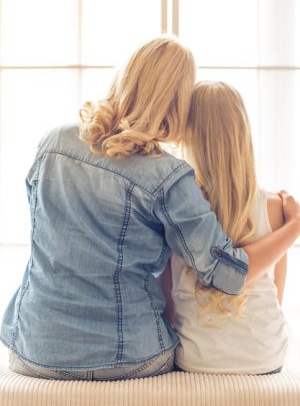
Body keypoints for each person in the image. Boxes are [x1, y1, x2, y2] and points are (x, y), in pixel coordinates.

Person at [0, 38, 299, 381]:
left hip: (31, 347)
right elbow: (227, 274)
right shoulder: (168, 176)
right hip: (127, 357)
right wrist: (292, 227)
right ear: (176, 103)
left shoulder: (52, 142)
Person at [170, 81, 295, 375]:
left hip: (197, 360)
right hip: (265, 356)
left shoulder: (176, 208)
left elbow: (168, 303)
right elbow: (276, 295)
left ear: (189, 138)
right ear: (242, 135)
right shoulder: (276, 208)